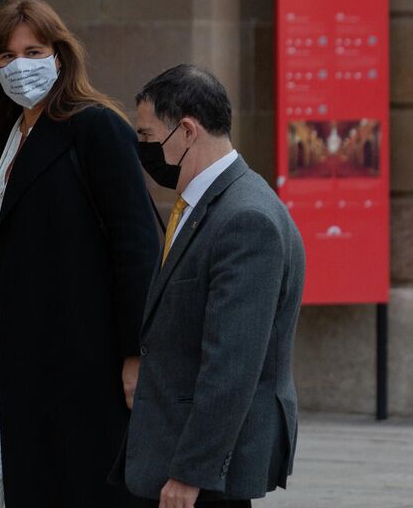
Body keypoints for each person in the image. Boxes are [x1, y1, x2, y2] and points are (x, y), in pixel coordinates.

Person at [0, 0, 161, 507]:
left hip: (83, 361)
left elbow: (136, 245)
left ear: (59, 55)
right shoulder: (8, 135)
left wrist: (135, 354)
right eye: (5, 56)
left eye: (33, 50)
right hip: (12, 356)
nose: (18, 65)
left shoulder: (96, 128)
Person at [121, 64, 303, 508]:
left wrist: (191, 472)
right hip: (177, 445)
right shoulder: (207, 203)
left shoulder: (246, 219)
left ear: (186, 131)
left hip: (208, 468)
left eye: (146, 137)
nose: (140, 149)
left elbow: (232, 364)